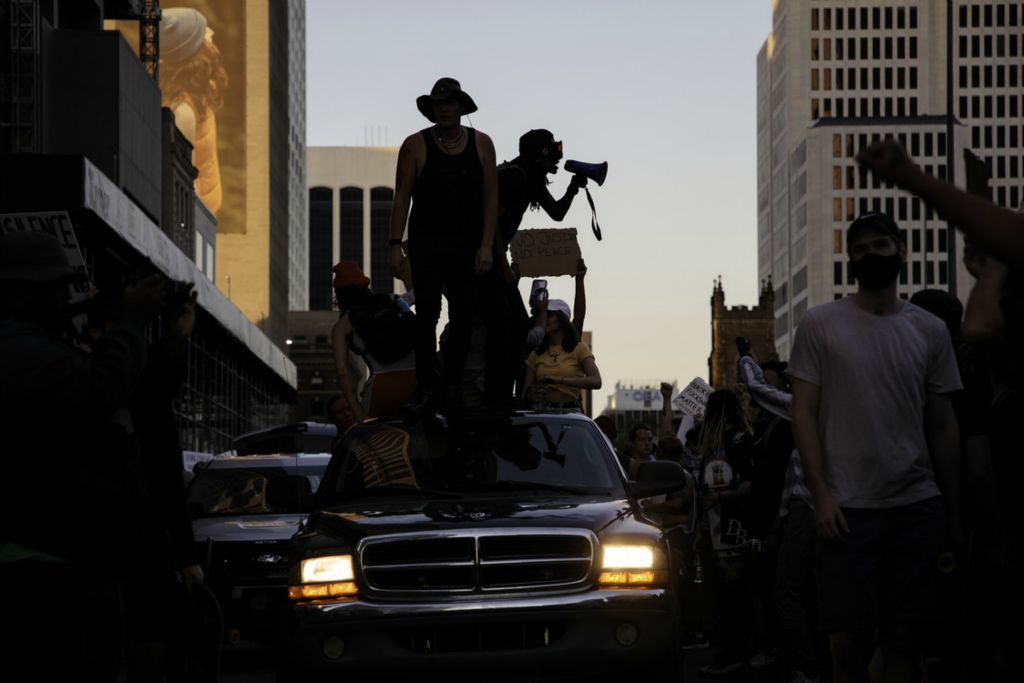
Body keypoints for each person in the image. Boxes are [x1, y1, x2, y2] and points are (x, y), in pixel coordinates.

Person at [789, 212, 962, 683]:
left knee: (905, 641)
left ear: (901, 251)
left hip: (916, 506)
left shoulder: (929, 330)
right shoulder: (820, 325)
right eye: (860, 249)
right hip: (846, 511)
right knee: (847, 643)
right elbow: (802, 414)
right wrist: (821, 496)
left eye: (880, 246)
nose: (871, 256)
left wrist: (952, 510)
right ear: (850, 260)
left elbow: (943, 424)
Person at [0, 231, 166, 681]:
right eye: (54, 288)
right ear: (17, 292)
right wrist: (130, 325)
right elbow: (101, 389)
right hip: (43, 576)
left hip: (72, 567)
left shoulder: (38, 345)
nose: (64, 298)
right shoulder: (17, 349)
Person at [388, 77, 504, 413]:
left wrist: (486, 247)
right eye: (438, 104)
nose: (444, 109)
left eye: (450, 103)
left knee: (464, 318)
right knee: (427, 316)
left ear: (460, 106)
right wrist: (395, 244)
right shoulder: (415, 145)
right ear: (432, 110)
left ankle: (452, 385)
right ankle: (427, 387)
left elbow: (491, 199)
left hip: (467, 247)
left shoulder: (482, 144)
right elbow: (401, 197)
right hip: (426, 245)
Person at [697, 389, 762, 678]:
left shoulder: (738, 442)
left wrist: (720, 499)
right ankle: (734, 651)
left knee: (734, 593)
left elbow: (753, 484)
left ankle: (736, 653)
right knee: (726, 593)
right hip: (717, 529)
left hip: (734, 530)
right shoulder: (719, 443)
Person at [159, 7, 226, 215]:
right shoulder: (184, 112)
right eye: (204, 34)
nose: (211, 35)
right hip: (196, 225)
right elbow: (185, 187)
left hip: (203, 218)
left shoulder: (196, 99)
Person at [330, 261, 416, 421]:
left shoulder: (341, 327)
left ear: (339, 294)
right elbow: (414, 295)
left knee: (376, 441)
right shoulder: (393, 300)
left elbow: (342, 373)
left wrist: (358, 412)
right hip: (416, 382)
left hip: (382, 387)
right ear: (365, 286)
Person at [523, 299, 601, 412]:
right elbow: (525, 393)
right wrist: (531, 394)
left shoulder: (579, 348)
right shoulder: (535, 353)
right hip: (542, 413)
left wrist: (559, 380)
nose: (544, 320)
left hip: (571, 413)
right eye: (542, 316)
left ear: (562, 318)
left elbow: (596, 381)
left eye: (549, 315)